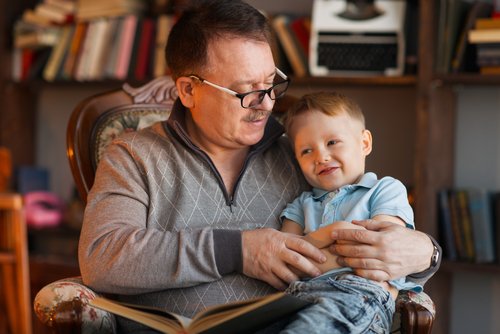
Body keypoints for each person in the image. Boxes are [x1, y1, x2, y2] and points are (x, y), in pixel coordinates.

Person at [78, 0, 440, 332]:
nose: (266, 105)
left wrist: (425, 252)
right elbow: (102, 257)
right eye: (246, 91)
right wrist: (238, 251)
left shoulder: (301, 155)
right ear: (188, 90)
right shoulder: (133, 154)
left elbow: (364, 217)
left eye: (271, 84)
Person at [277, 91, 422, 333]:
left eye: (332, 142)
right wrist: (336, 232)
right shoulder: (300, 204)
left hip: (361, 294)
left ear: (364, 143)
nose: (321, 156)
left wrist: (309, 246)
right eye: (306, 151)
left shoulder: (384, 190)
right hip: (298, 296)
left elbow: (376, 256)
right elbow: (288, 261)